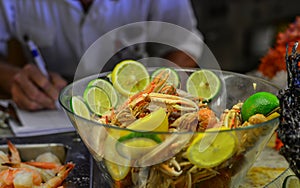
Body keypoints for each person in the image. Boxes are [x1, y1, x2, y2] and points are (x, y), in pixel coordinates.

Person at [0, 0, 203, 111]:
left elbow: (184, 42)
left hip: (132, 98)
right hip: (49, 103)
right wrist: (13, 79)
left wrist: (158, 89)